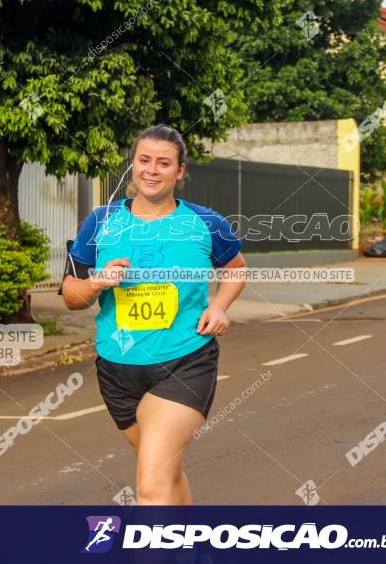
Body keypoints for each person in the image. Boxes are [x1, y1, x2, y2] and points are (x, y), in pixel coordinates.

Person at [61, 124, 247, 503]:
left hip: (185, 360)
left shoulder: (205, 223)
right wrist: (97, 283)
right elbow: (70, 295)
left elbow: (237, 268)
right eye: (144, 160)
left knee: (150, 483)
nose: (151, 169)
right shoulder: (100, 222)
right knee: (164, 473)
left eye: (164, 163)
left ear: (179, 172)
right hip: (117, 366)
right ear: (133, 165)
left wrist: (218, 305)